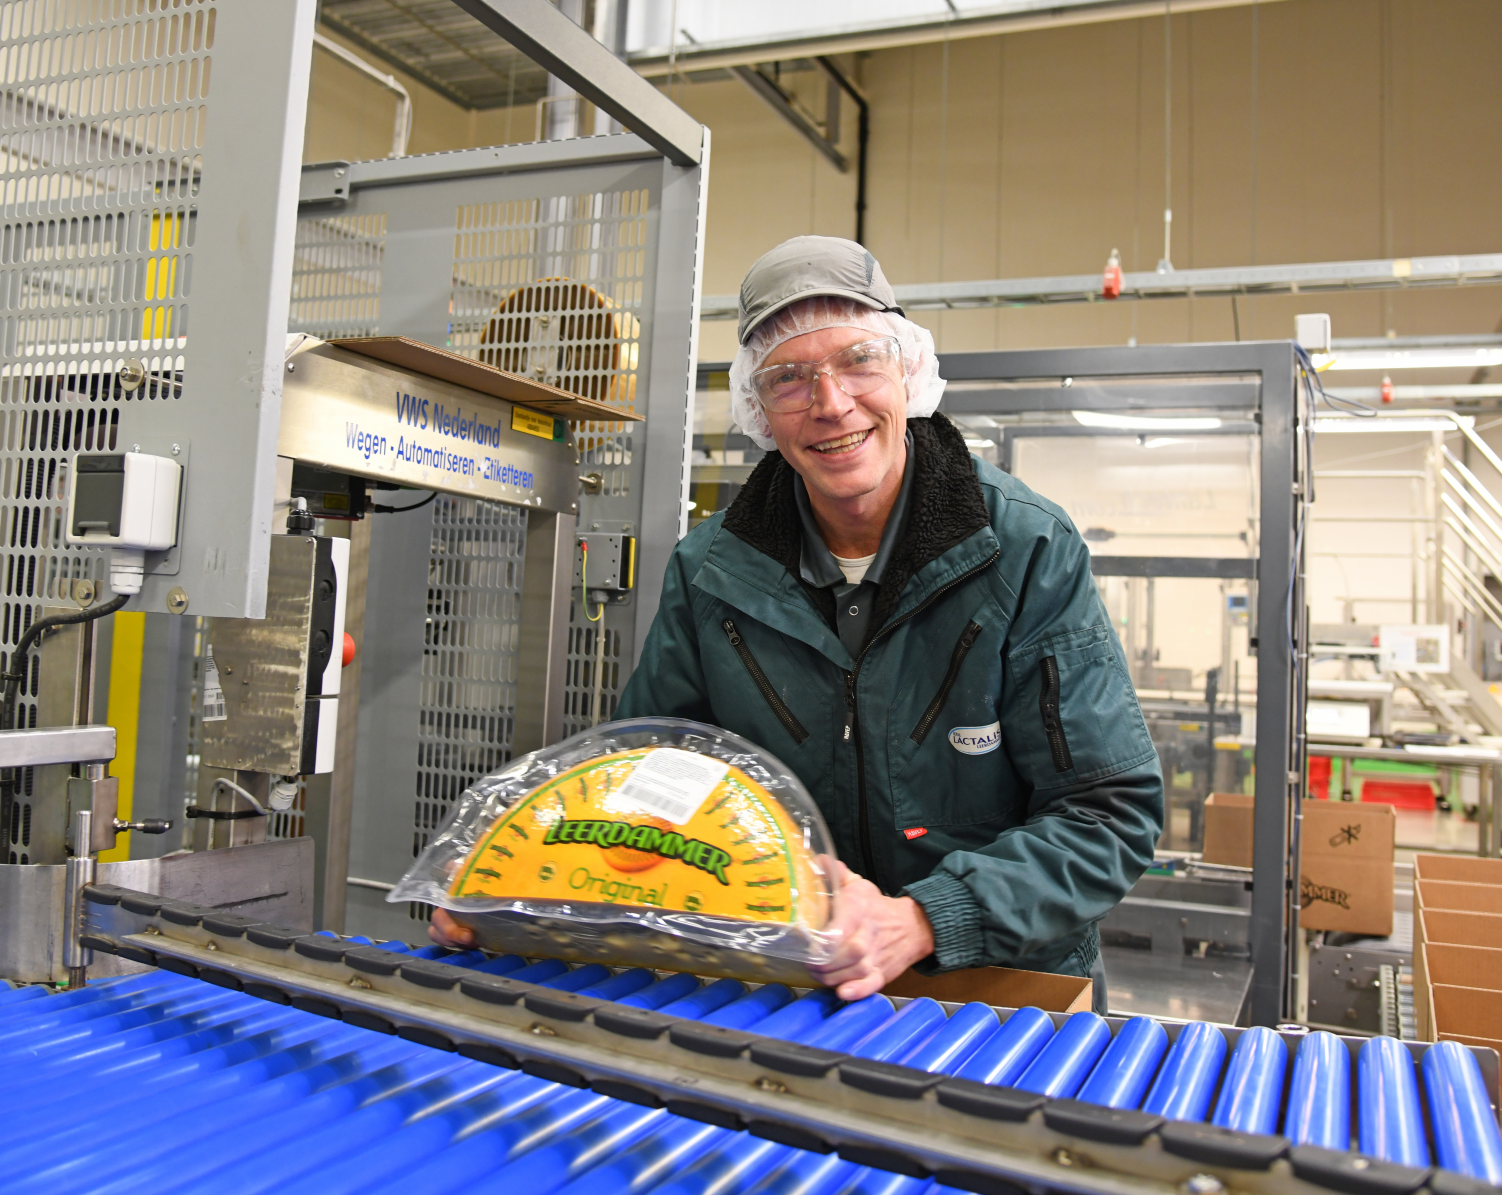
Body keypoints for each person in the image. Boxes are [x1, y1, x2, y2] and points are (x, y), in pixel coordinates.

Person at [435, 235, 1162, 1004]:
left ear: (909, 370)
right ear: (758, 409)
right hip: (790, 986)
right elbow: (647, 787)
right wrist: (527, 883)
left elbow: (1107, 814)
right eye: (788, 377)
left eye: (859, 360)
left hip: (1000, 993)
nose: (831, 403)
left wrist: (926, 916)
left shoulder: (1023, 549)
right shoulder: (711, 572)